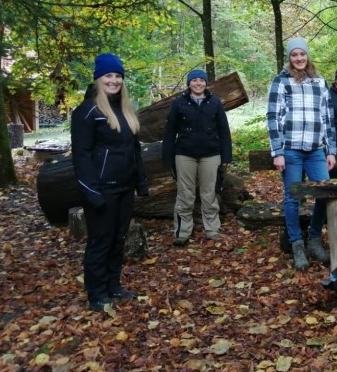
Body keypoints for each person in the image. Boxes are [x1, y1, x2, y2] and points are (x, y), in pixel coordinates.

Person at [71, 53, 148, 312]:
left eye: (117, 76)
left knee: (119, 238)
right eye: (108, 76)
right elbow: (81, 156)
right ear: (98, 79)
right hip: (102, 190)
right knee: (100, 241)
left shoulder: (125, 109)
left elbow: (133, 149)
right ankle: (97, 293)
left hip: (125, 188)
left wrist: (141, 182)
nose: (113, 80)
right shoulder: (87, 111)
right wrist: (92, 192)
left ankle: (113, 285)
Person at [267, 37, 335, 270]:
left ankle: (314, 238)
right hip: (291, 150)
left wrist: (331, 150)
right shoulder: (281, 81)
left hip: (316, 150)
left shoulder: (319, 82)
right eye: (294, 55)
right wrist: (278, 152)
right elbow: (273, 118)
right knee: (292, 197)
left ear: (307, 56)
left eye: (302, 54)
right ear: (290, 57)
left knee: (325, 193)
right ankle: (297, 244)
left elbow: (328, 118)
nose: (299, 58)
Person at [162, 69, 233, 246]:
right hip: (185, 154)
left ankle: (212, 229)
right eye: (194, 80)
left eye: (202, 80)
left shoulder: (215, 103)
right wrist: (168, 157)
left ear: (206, 83)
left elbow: (224, 130)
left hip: (211, 154)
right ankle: (182, 232)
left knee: (209, 193)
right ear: (189, 83)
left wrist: (226, 155)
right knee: (185, 194)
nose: (198, 83)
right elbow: (170, 131)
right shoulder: (179, 103)